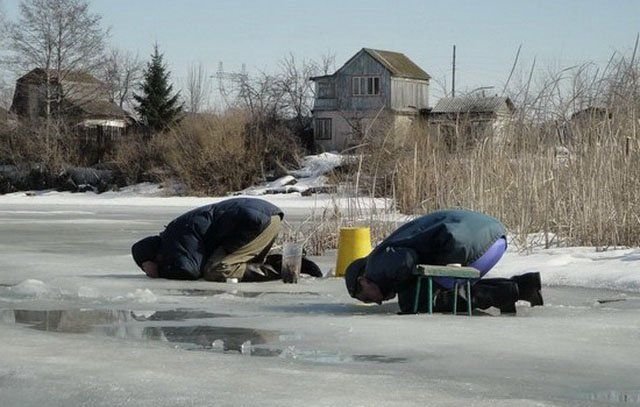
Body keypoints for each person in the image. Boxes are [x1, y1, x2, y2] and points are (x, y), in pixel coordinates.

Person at [344, 208, 543, 314]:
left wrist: (405, 291)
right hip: (491, 236)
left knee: (420, 303)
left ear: (363, 280)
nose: (378, 302)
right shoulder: (383, 255)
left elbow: (406, 260)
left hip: (471, 242)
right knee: (435, 288)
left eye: (368, 298)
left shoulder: (375, 265)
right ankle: (523, 285)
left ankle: (511, 291)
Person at [131, 198, 284, 282]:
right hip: (263, 216)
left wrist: (159, 272)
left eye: (145, 266)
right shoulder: (175, 233)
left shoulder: (174, 239)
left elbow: (190, 271)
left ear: (153, 256)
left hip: (255, 222)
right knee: (234, 263)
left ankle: (285, 269)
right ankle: (284, 262)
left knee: (216, 270)